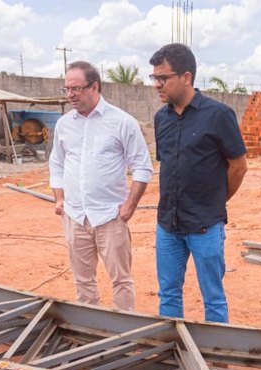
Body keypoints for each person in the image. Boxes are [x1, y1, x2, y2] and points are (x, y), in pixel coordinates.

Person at [148, 44, 248, 323]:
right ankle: (173, 352)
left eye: (163, 78)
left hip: (205, 225)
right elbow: (168, 166)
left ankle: (214, 355)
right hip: (168, 224)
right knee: (168, 294)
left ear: (186, 77)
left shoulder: (218, 115)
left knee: (213, 297)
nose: (157, 84)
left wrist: (215, 201)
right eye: (154, 78)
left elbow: (239, 166)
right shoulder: (161, 118)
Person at [48, 61, 153, 311]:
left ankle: (125, 331)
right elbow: (57, 164)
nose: (70, 95)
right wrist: (59, 198)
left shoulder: (122, 122)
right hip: (75, 216)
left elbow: (142, 166)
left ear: (94, 86)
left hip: (110, 217)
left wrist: (130, 205)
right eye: (67, 89)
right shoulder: (64, 125)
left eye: (76, 88)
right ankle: (90, 328)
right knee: (83, 281)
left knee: (121, 280)